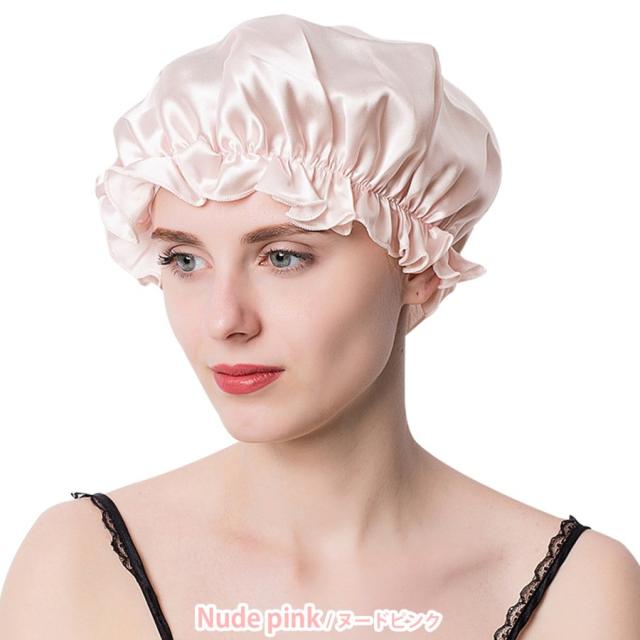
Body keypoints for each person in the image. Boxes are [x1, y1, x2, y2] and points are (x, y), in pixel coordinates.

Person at [1, 13, 639, 640]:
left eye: (283, 257)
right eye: (185, 260)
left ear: (418, 265)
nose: (224, 320)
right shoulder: (79, 564)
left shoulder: (576, 592)